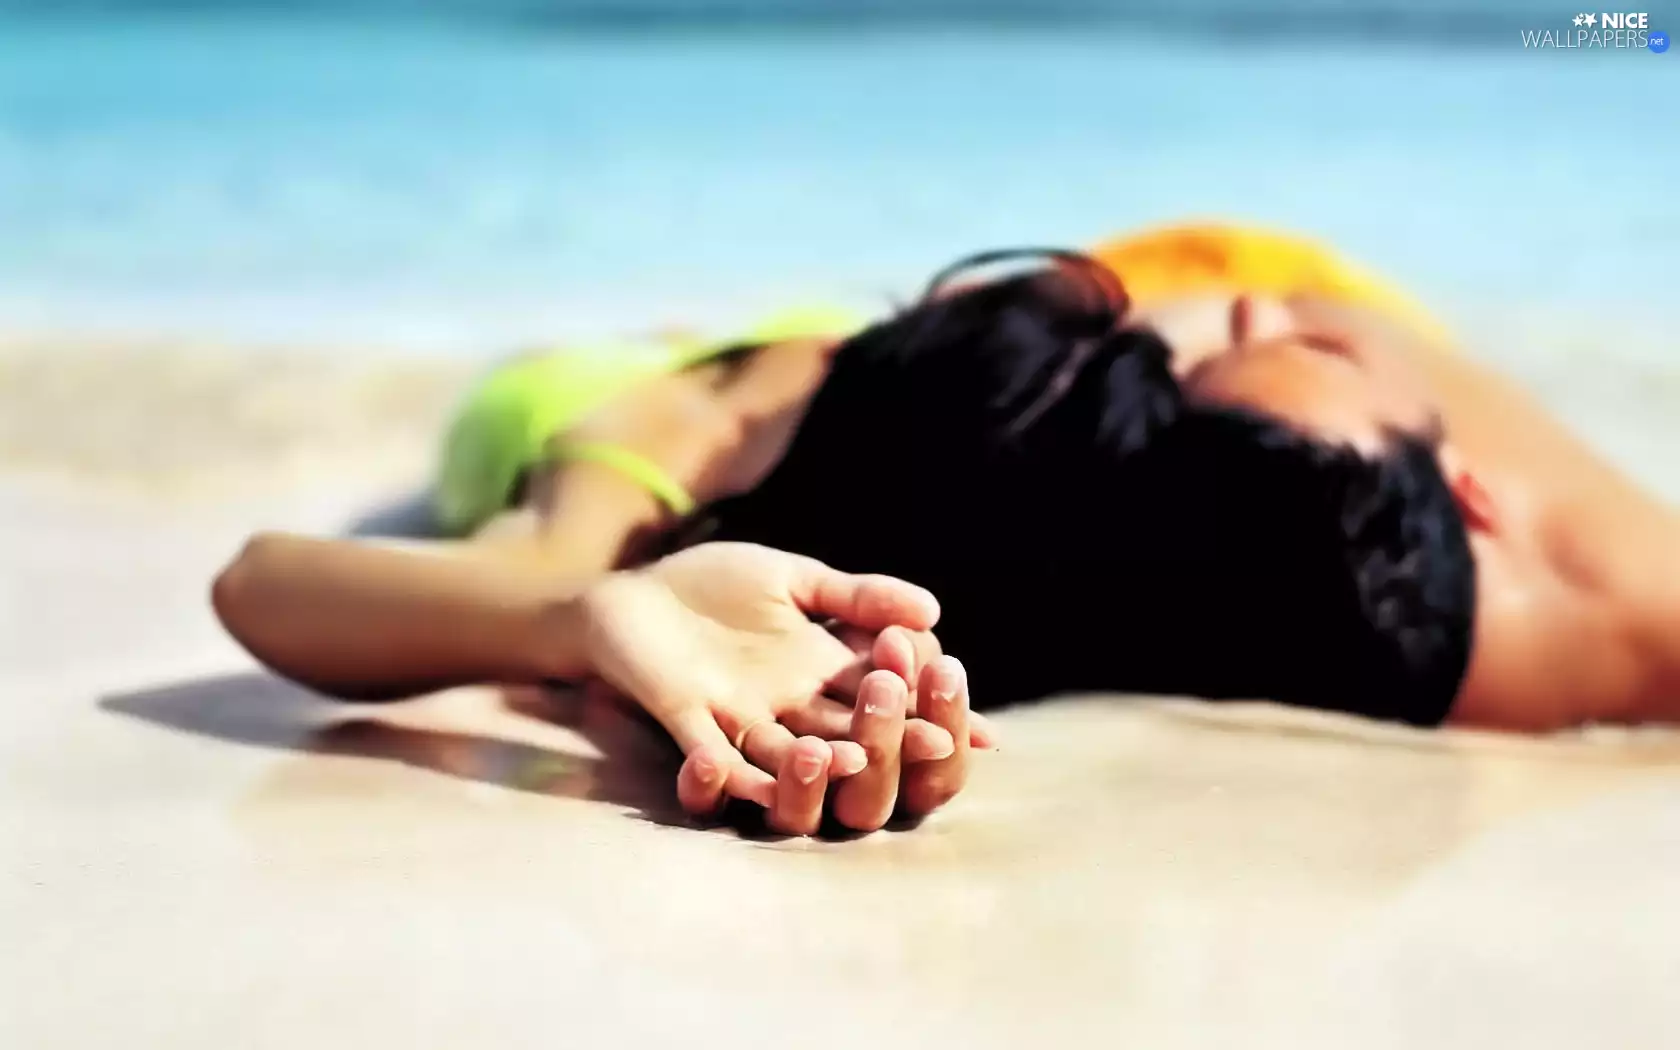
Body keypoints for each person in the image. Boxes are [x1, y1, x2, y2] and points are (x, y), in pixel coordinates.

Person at [212, 221, 1680, 833]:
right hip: (599, 389)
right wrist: (583, 606)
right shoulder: (668, 427)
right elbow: (264, 582)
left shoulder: (1013, 451)